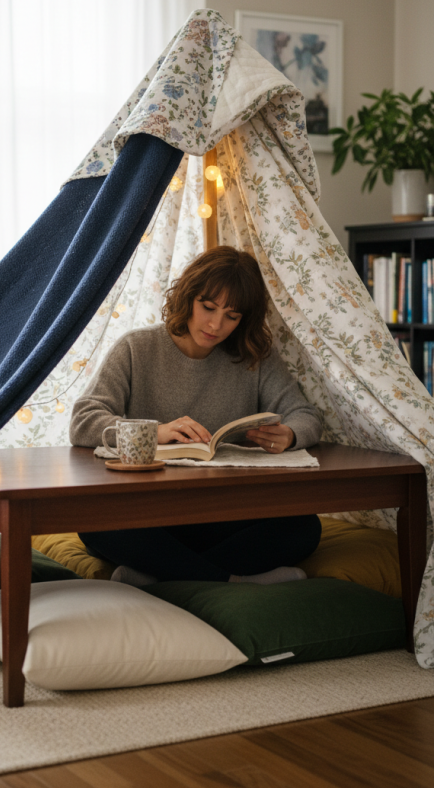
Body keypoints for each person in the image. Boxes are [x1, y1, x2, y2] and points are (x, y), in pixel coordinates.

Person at [69, 245, 322, 587]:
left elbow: (304, 414)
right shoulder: (136, 347)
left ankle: (161, 576)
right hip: (151, 510)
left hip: (222, 511)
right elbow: (84, 420)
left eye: (232, 316)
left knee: (304, 527)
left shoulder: (253, 357)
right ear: (188, 297)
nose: (216, 324)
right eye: (208, 307)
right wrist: (155, 432)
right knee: (93, 521)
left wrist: (290, 434)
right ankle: (233, 581)